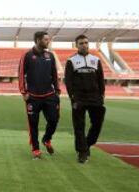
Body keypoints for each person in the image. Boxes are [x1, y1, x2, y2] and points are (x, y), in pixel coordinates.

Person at [18, 31, 60, 159]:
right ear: (37, 40)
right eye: (46, 39)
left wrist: (57, 90)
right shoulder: (27, 55)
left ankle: (46, 139)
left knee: (54, 120)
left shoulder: (50, 56)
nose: (48, 41)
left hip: (49, 95)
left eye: (48, 39)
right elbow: (20, 74)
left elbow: (55, 74)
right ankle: (36, 149)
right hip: (33, 97)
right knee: (33, 125)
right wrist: (23, 92)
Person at [65, 34, 106, 163]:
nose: (84, 45)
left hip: (95, 98)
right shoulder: (71, 61)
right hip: (79, 99)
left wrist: (102, 95)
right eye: (81, 43)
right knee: (79, 127)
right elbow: (68, 81)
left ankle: (87, 144)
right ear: (76, 45)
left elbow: (100, 79)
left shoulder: (96, 60)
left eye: (86, 43)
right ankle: (82, 153)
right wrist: (72, 97)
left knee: (97, 124)